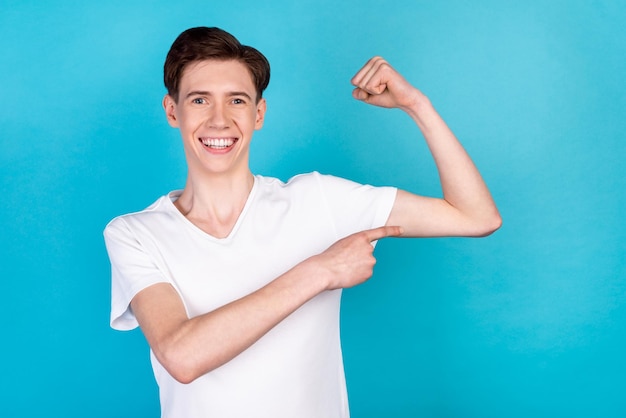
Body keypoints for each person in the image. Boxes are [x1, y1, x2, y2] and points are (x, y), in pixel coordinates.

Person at [104, 26, 501, 418]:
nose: (220, 121)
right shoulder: (136, 233)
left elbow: (476, 216)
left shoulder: (319, 200)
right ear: (173, 110)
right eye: (200, 100)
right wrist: (322, 270)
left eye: (237, 101)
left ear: (259, 113)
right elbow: (181, 356)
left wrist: (418, 106)